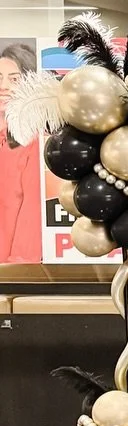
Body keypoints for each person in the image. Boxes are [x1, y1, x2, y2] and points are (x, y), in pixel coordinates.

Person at [0, 42, 40, 264]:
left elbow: (32, 212)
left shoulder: (33, 142)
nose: (3, 86)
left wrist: (19, 266)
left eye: (14, 79)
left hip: (8, 267)